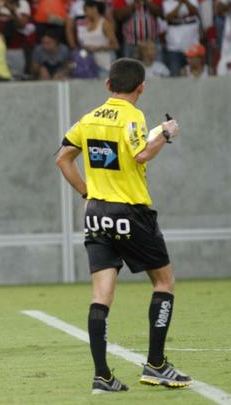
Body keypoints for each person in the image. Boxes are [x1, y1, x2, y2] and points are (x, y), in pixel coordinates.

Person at [55, 58, 192, 393]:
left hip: (96, 212)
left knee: (101, 295)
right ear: (141, 87)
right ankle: (156, 365)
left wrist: (86, 190)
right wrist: (167, 135)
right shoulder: (133, 116)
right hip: (130, 212)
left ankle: (102, 376)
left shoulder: (88, 119)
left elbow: (62, 158)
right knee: (164, 282)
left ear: (108, 85)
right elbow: (142, 154)